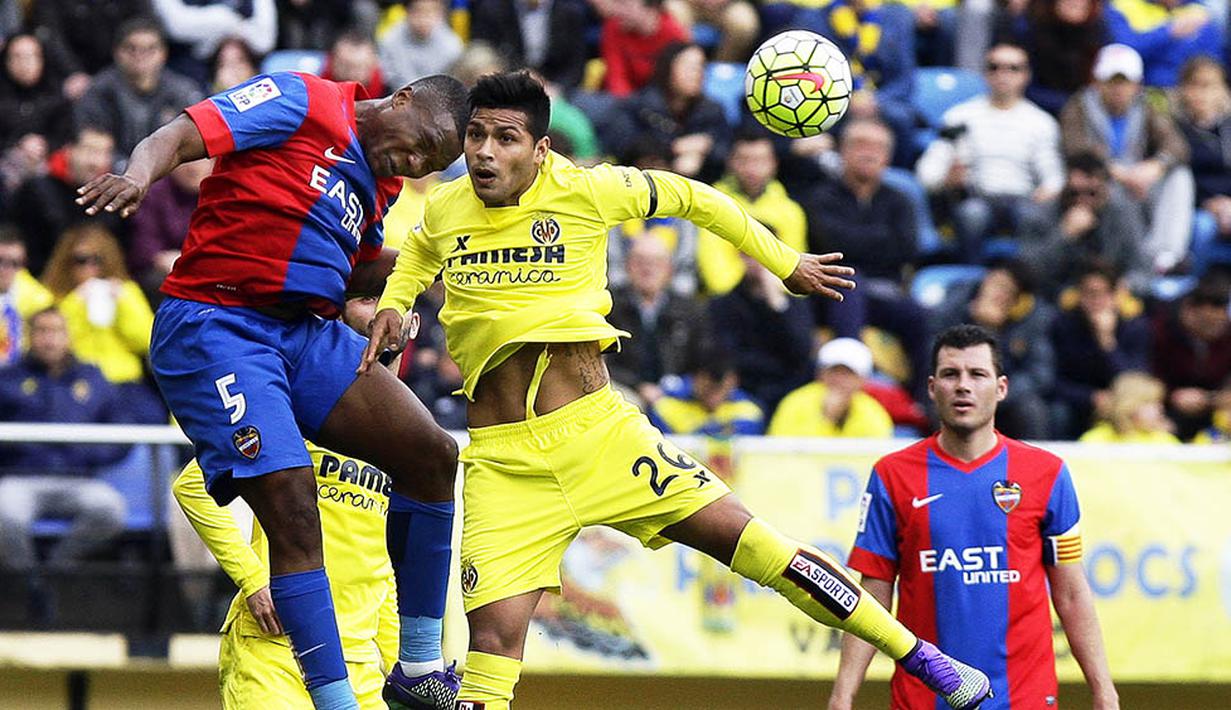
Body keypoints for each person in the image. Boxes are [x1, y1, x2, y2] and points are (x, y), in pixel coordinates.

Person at [365, 71, 993, 710]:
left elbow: (698, 199)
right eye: (475, 136)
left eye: (506, 138)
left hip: (599, 437)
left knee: (756, 547)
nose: (484, 153)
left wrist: (785, 263)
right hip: (503, 464)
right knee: (490, 653)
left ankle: (920, 656)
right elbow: (417, 254)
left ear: (541, 149)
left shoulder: (589, 189)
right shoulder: (446, 207)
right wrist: (394, 301)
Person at [76, 69, 472, 709]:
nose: (415, 161)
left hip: (300, 333)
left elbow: (353, 267)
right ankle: (336, 703)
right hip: (216, 322)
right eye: (421, 141)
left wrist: (428, 274)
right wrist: (137, 174)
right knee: (292, 504)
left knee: (432, 455)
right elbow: (183, 134)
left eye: (431, 161)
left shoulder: (384, 182)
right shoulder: (304, 99)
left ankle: (419, 666)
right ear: (401, 98)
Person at [829, 324, 1119, 710]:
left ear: (1001, 388)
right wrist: (843, 694)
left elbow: (1069, 591)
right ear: (932, 388)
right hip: (923, 699)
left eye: (977, 374)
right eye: (951, 374)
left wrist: (1104, 689)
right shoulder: (892, 475)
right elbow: (874, 593)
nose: (963, 385)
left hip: (1024, 698)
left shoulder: (1047, 473)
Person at [172, 295, 404, 710]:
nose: (377, 308)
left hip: (361, 666)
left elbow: (379, 560)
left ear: (411, 325)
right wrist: (254, 579)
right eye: (367, 297)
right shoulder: (300, 411)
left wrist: (394, 657)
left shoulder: (409, 436)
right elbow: (192, 487)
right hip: (277, 652)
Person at [0, 307, 130, 622]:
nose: (49, 339)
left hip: (78, 478)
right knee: (5, 516)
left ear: (69, 336)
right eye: (42, 331)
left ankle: (54, 571)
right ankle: (32, 583)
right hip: (22, 477)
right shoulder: (8, 379)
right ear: (31, 337)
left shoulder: (93, 379)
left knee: (111, 509)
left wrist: (90, 454)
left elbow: (125, 430)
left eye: (56, 331)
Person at [915, 42, 1063, 263]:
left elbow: (1054, 176)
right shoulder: (959, 116)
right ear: (985, 74)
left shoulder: (1041, 122)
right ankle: (970, 276)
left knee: (1032, 216)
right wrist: (945, 180)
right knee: (972, 215)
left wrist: (1049, 190)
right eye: (994, 67)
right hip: (977, 197)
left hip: (1023, 198)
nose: (1003, 74)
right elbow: (926, 172)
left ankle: (1026, 280)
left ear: (1026, 75)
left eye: (1013, 68)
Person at [1059, 43, 1194, 274]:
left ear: (1137, 84)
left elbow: (1177, 146)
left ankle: (1166, 256)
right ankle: (1136, 265)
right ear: (1098, 82)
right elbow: (1075, 148)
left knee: (1180, 177)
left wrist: (1156, 166)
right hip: (1098, 184)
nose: (1118, 89)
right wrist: (1116, 171)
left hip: (1139, 180)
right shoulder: (1079, 105)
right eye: (1112, 81)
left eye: (1124, 82)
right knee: (1117, 196)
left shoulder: (1146, 106)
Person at [932, 259, 1056, 440]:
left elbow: (1039, 375)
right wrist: (977, 323)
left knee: (1031, 409)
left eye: (1008, 291)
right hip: (954, 384)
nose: (998, 293)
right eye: (997, 284)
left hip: (1004, 396)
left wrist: (993, 393)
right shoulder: (956, 303)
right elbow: (935, 353)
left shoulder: (1031, 320)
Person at [1018, 151, 1150, 298]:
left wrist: (1125, 286)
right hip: (1056, 299)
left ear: (1106, 189)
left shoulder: (1123, 214)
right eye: (1075, 193)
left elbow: (1142, 270)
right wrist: (1064, 234)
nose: (1083, 200)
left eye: (1091, 193)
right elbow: (1026, 274)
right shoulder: (1040, 214)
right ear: (1065, 186)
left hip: (1110, 297)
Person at [607, 234, 713, 407]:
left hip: (679, 394)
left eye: (656, 262)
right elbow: (601, 363)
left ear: (670, 269)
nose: (647, 269)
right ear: (627, 266)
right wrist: (638, 386)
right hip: (625, 391)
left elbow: (704, 355)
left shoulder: (690, 309)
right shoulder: (609, 305)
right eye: (639, 261)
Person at [73, 16, 203, 157]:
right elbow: (93, 146)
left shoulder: (183, 91)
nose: (140, 56)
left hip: (170, 172)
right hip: (113, 172)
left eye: (149, 49)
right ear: (117, 52)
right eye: (131, 48)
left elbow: (196, 143)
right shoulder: (98, 91)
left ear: (163, 53)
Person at [1049, 259, 1151, 439]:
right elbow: (1053, 381)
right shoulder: (1063, 325)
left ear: (1115, 295)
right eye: (1089, 294)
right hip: (1078, 402)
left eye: (1102, 294)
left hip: (1122, 402)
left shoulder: (1135, 326)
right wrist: (1091, 397)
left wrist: (1107, 342)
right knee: (1057, 413)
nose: (1096, 301)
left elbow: (1134, 379)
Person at [708, 253, 814, 413]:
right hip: (744, 389)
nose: (760, 264)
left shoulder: (795, 304)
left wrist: (778, 306)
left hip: (788, 390)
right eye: (752, 256)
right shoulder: (723, 305)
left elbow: (802, 352)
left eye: (767, 257)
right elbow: (727, 355)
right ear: (741, 258)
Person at [1150, 273, 1231, 440]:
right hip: (1164, 410)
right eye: (1208, 323)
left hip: (1215, 411)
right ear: (1188, 311)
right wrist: (1171, 396)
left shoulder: (1227, 335)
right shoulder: (1157, 331)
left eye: (1221, 322)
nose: (1216, 329)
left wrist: (1211, 399)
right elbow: (1142, 379)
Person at [768, 337, 894, 439]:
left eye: (848, 374)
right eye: (834, 372)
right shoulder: (795, 403)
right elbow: (780, 451)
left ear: (862, 380)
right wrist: (827, 419)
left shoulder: (872, 412)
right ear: (820, 374)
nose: (839, 380)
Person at [648, 353, 765, 436]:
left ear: (733, 381)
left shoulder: (749, 410)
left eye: (720, 390)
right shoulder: (666, 407)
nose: (714, 399)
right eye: (707, 390)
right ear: (695, 379)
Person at [379, 0, 464, 90]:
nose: (424, 18)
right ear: (407, 11)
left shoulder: (453, 45)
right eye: (418, 11)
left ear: (441, 13)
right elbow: (391, 78)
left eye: (430, 12)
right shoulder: (390, 40)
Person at [1079, 370, 1180, 443]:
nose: (1160, 409)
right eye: (1151, 402)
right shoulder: (1095, 440)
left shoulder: (1164, 440)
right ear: (1128, 406)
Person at [0, 229, 53, 365]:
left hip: (22, 374)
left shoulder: (39, 299)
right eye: (0, 261)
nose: (4, 269)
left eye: (14, 263)